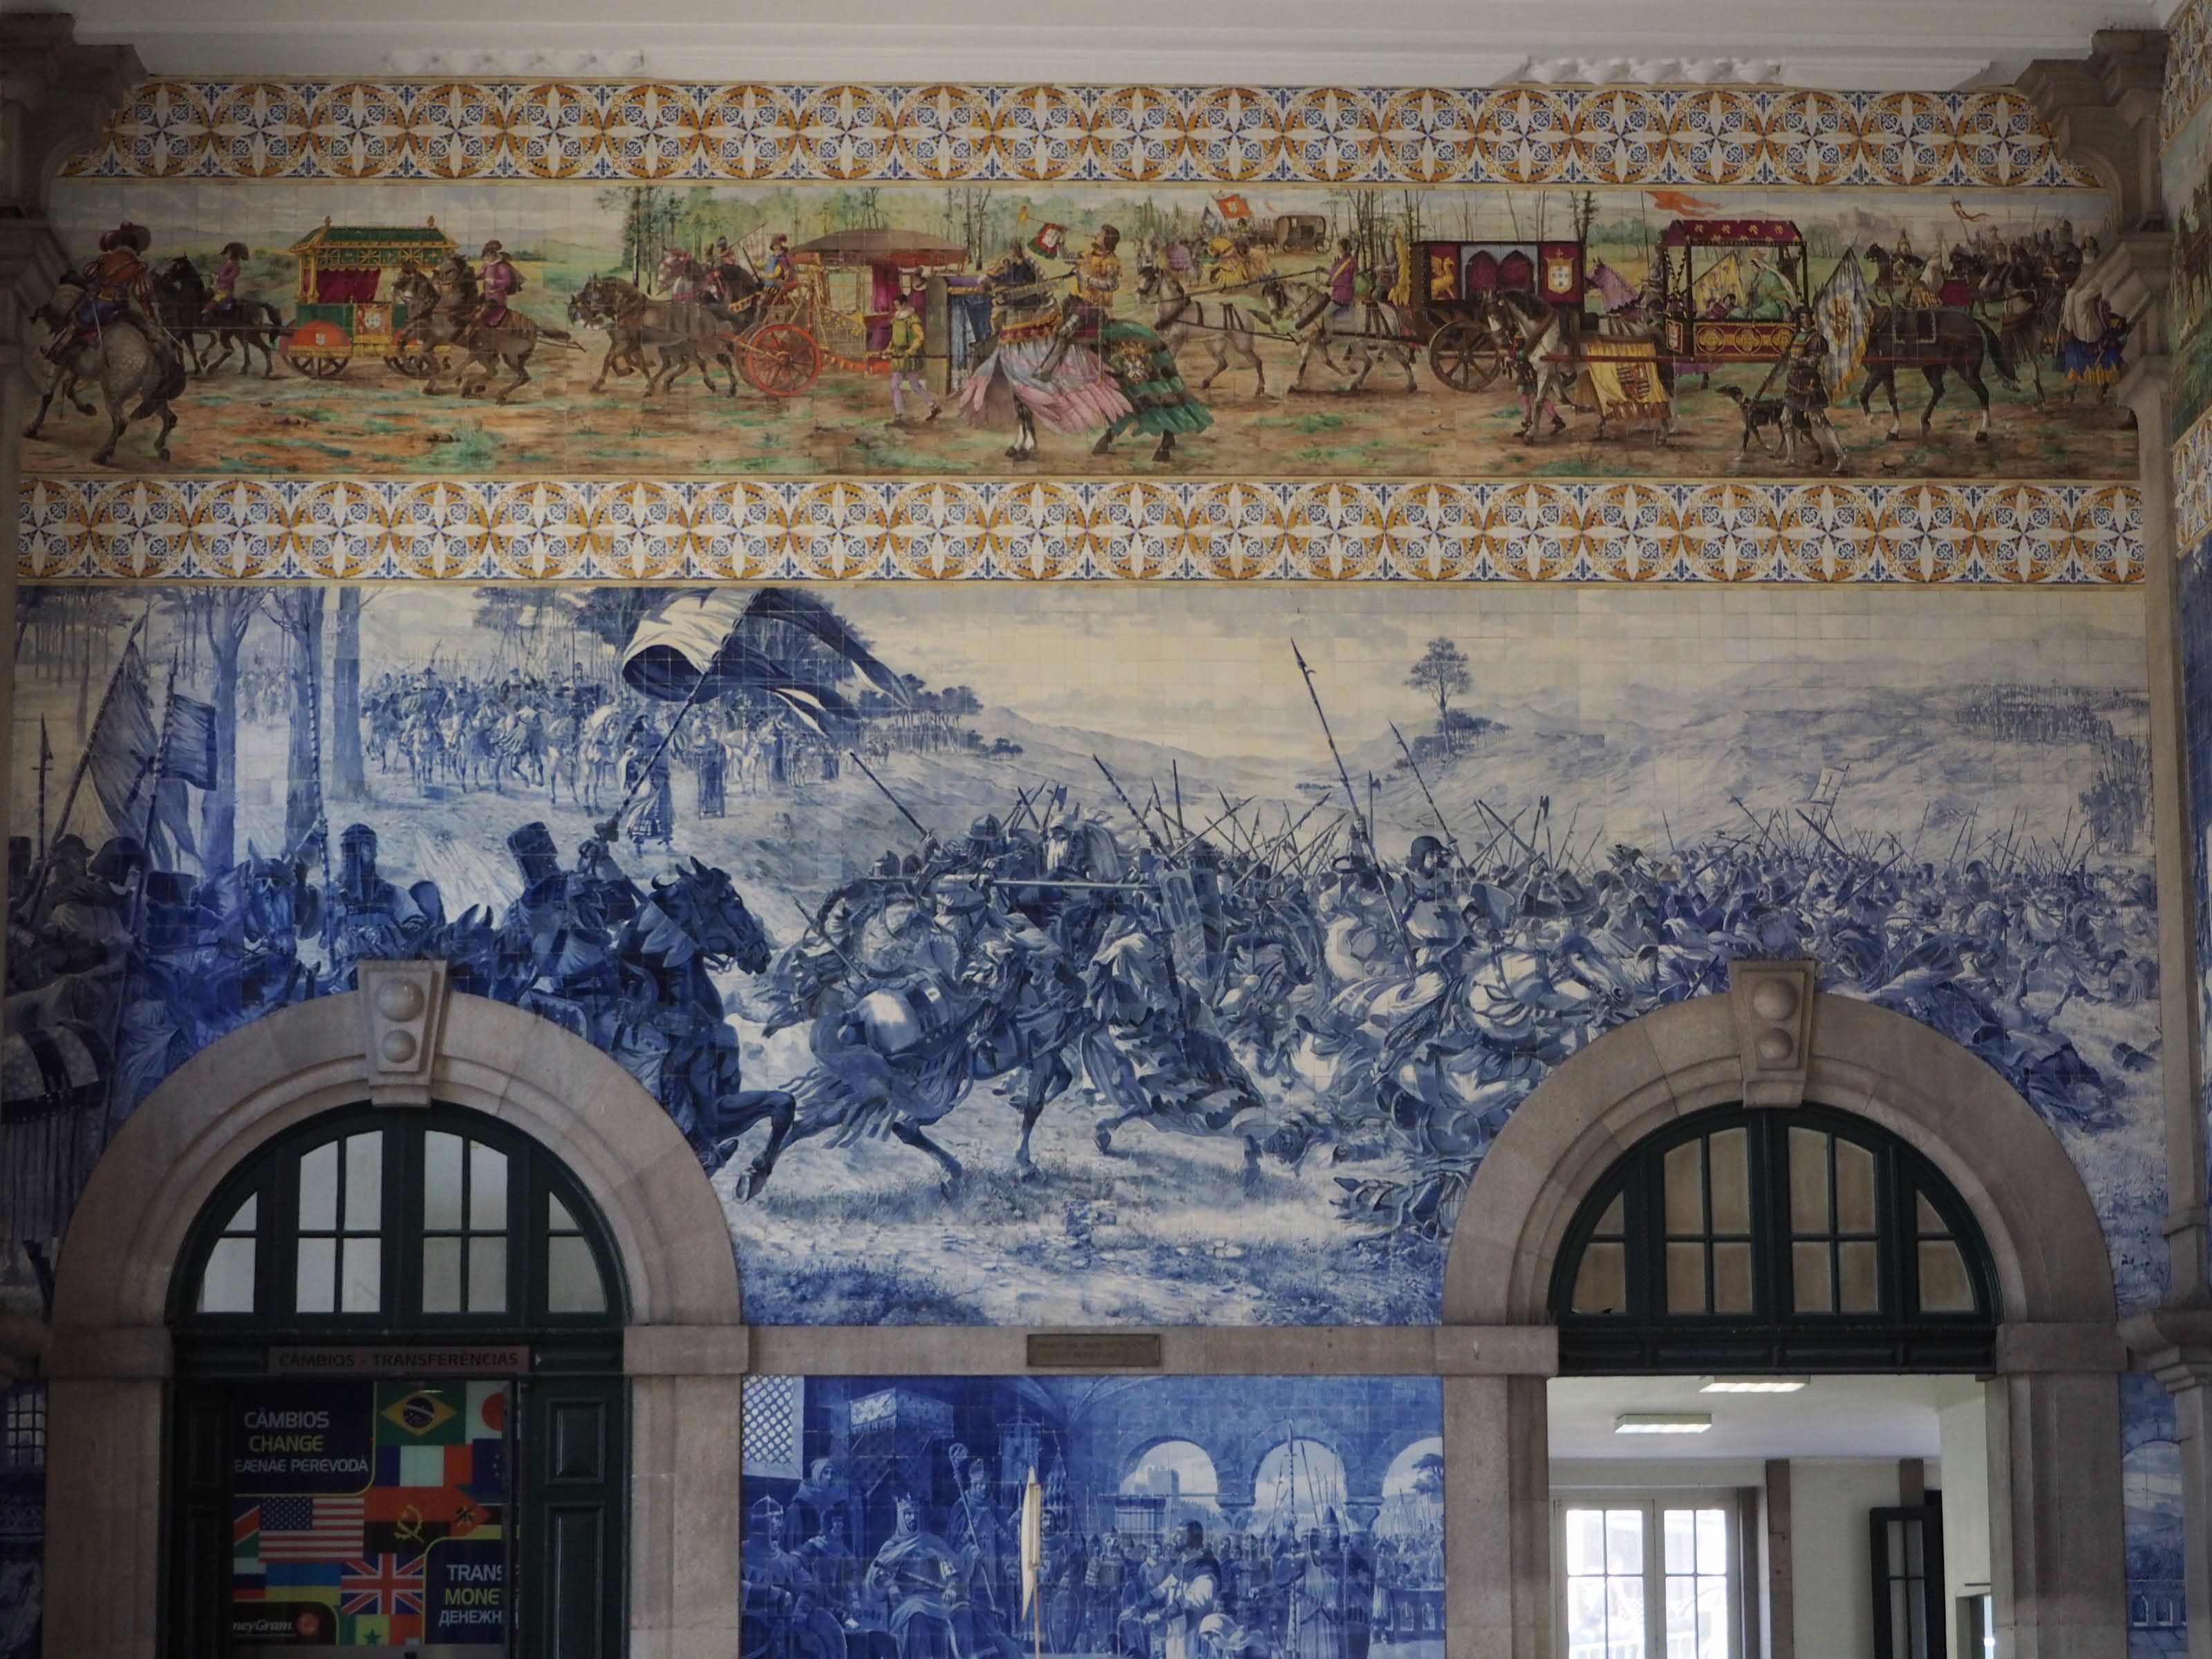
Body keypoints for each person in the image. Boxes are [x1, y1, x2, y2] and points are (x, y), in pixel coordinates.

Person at [49, 221, 156, 364]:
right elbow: (143, 292)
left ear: (117, 243)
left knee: (75, 324)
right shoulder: (138, 266)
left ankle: (57, 351)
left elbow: (89, 275)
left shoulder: (106, 260)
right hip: (123, 307)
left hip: (103, 304)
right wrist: (150, 316)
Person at [886, 293, 941, 423]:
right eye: (895, 305)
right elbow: (894, 338)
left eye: (897, 305)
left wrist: (911, 351)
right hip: (899, 356)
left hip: (909, 357)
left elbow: (920, 336)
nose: (896, 307)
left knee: (913, 385)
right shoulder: (897, 318)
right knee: (895, 385)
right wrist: (889, 348)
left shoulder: (912, 319)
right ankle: (900, 414)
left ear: (904, 304)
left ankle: (931, 408)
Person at [476, 238, 523, 331]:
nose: (486, 259)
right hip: (488, 294)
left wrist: (493, 281)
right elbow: (480, 274)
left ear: (493, 254)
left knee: (487, 309)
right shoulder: (487, 265)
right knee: (478, 302)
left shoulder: (502, 266)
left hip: (497, 297)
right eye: (485, 257)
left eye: (488, 256)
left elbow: (507, 282)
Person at [206, 241, 250, 324]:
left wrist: (218, 278)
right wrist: (212, 273)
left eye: (229, 252)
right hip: (218, 288)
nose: (227, 254)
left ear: (234, 254)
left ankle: (207, 320)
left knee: (212, 305)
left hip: (225, 291)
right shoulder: (228, 263)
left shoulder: (236, 266)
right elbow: (221, 272)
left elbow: (230, 278)